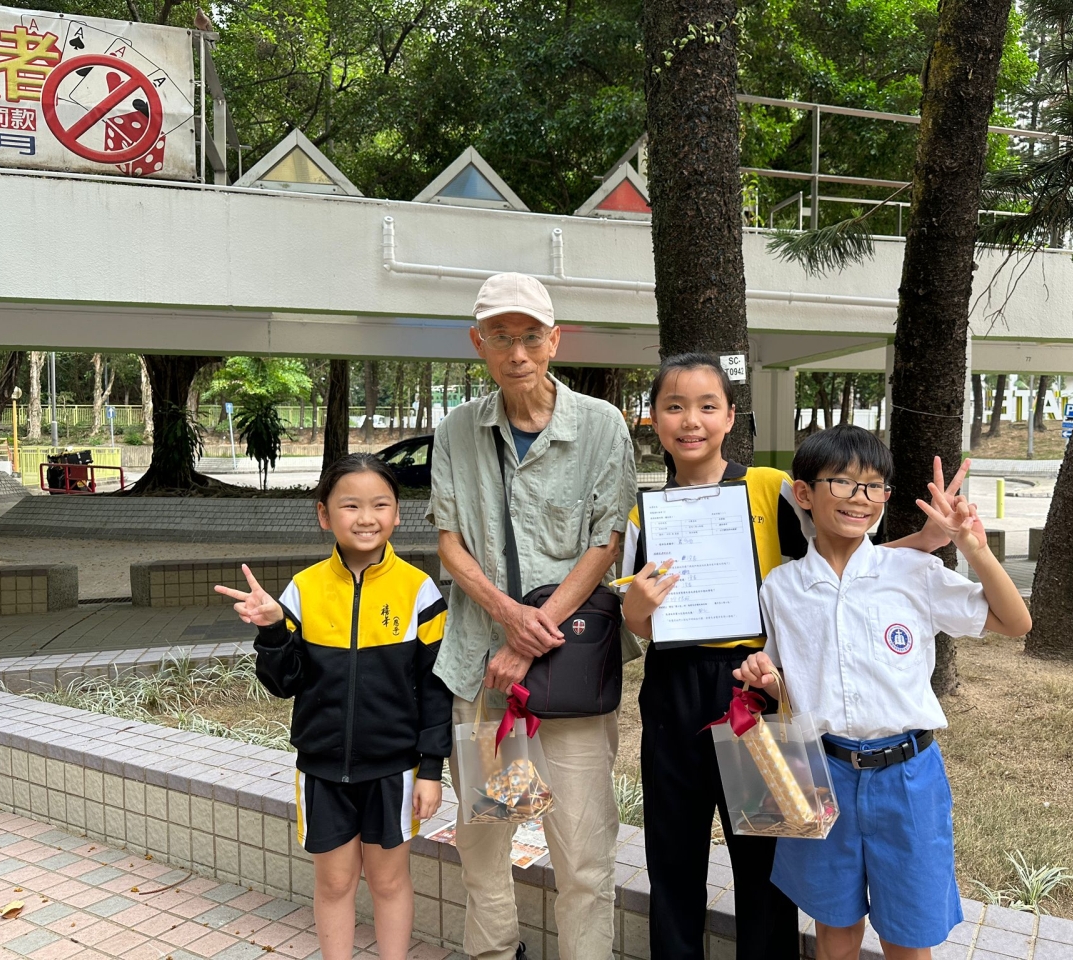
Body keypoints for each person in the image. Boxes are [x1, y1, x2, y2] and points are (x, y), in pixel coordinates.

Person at [620, 354, 974, 960]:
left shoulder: (771, 487)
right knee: (673, 848)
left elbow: (843, 555)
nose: (691, 420)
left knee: (768, 849)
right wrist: (635, 611)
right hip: (674, 685)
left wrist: (926, 541)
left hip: (762, 683)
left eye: (707, 406)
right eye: (674, 407)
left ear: (731, 416)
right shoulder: (645, 513)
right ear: (653, 418)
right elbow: (641, 620)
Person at [733, 425, 1032, 960]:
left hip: (909, 777)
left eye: (874, 486)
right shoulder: (781, 588)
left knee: (907, 936)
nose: (861, 498)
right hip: (821, 771)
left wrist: (975, 549)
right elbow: (792, 682)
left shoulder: (914, 572)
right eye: (843, 483)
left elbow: (1015, 622)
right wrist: (768, 678)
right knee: (834, 931)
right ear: (804, 493)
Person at [427, 272, 637, 960]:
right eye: (500, 336)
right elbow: (450, 542)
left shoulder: (601, 426)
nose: (516, 352)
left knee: (582, 852)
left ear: (554, 340)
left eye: (529, 336)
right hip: (482, 676)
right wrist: (506, 615)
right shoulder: (456, 430)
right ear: (478, 343)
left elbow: (606, 542)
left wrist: (527, 636)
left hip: (570, 677)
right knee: (486, 839)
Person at [213, 453, 453, 960]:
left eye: (380, 505)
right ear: (324, 514)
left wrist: (431, 769)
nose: (366, 518)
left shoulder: (419, 590)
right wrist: (273, 630)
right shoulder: (303, 589)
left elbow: (435, 689)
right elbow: (283, 683)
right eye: (350, 505)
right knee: (335, 883)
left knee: (390, 882)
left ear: (398, 514)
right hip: (322, 768)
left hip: (394, 768)